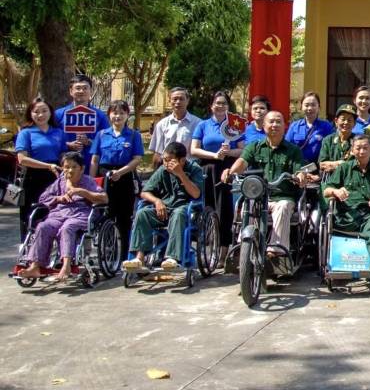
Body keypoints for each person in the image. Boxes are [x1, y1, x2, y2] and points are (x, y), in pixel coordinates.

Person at [224, 110, 316, 267]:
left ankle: (276, 251)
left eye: (278, 122)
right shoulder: (255, 147)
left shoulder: (293, 150)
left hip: (283, 196)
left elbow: (299, 169)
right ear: (264, 125)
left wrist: (300, 175)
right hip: (259, 195)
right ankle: (243, 245)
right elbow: (242, 162)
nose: (274, 125)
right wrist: (230, 172)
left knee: (283, 207)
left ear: (284, 126)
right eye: (271, 121)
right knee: (249, 204)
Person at [16, 152, 106, 282]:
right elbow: (43, 198)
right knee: (43, 226)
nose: (69, 170)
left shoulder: (88, 181)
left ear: (82, 168)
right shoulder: (59, 182)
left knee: (67, 228)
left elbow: (104, 198)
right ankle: (35, 266)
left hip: (81, 213)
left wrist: (84, 192)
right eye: (66, 167)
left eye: (74, 167)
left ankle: (66, 265)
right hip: (59, 213)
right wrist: (58, 198)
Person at [323, 135, 370, 284]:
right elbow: (326, 190)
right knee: (332, 223)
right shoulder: (344, 168)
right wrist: (336, 192)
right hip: (346, 214)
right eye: (358, 148)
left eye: (365, 148)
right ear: (352, 150)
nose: (362, 151)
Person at [122, 141, 203, 273]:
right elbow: (144, 192)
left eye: (170, 160)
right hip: (164, 209)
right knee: (142, 213)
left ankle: (172, 258)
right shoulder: (162, 170)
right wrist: (157, 201)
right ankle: (139, 258)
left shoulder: (194, 169)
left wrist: (180, 174)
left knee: (178, 214)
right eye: (164, 160)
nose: (166, 163)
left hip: (186, 209)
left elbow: (196, 193)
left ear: (182, 160)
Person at [190, 90, 245, 265]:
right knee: (207, 208)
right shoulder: (203, 125)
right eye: (217, 103)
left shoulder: (234, 125)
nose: (220, 106)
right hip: (207, 168)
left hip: (226, 170)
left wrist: (229, 152)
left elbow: (243, 149)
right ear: (211, 106)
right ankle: (207, 248)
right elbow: (194, 149)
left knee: (224, 210)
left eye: (223, 103)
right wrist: (214, 155)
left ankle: (223, 252)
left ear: (228, 107)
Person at [90, 100, 144, 261]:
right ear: (109, 115)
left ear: (128, 115)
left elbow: (137, 159)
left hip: (125, 176)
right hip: (105, 176)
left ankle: (124, 256)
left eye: (122, 113)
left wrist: (120, 172)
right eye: (114, 113)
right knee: (106, 214)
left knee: (124, 218)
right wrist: (92, 182)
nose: (118, 116)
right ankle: (107, 252)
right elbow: (95, 160)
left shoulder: (134, 135)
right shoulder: (101, 135)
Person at [15, 97, 69, 238]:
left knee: (53, 214)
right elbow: (22, 159)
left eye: (44, 111)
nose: (40, 115)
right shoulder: (25, 133)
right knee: (31, 215)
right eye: (36, 112)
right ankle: (27, 251)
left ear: (50, 113)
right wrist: (48, 166)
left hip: (55, 177)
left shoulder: (58, 132)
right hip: (33, 177)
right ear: (30, 114)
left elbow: (63, 154)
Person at [54, 73, 110, 155]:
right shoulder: (58, 114)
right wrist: (67, 144)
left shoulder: (100, 115)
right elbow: (50, 138)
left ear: (90, 91)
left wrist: (89, 142)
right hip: (66, 163)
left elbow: (107, 140)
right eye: (78, 88)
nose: (81, 91)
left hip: (91, 163)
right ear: (71, 91)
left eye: (85, 88)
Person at [148, 87, 200, 167]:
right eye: (175, 99)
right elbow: (158, 153)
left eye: (181, 99)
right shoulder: (161, 125)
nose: (178, 102)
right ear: (169, 101)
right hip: (166, 168)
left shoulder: (198, 124)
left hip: (189, 168)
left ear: (188, 101)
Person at [285, 92, 335, 165]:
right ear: (301, 107)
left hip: (317, 169)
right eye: (306, 105)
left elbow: (332, 148)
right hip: (297, 167)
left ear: (319, 107)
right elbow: (287, 146)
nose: (310, 108)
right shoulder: (294, 126)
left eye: (313, 105)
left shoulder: (326, 126)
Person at [319, 105, 358, 174]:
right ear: (336, 121)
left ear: (354, 123)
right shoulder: (328, 140)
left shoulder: (358, 141)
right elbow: (322, 165)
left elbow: (360, 164)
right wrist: (341, 163)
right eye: (343, 119)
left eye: (349, 120)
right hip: (330, 181)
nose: (346, 122)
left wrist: (333, 165)